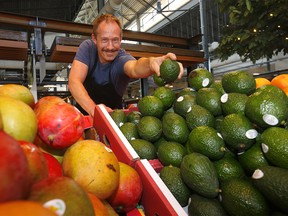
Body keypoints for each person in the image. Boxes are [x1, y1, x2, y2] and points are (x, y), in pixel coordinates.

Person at [68, 13, 184, 117]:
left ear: (121, 39)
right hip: (82, 118)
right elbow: (74, 81)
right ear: (94, 38)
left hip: (114, 120)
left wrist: (150, 63)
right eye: (104, 40)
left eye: (115, 40)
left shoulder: (121, 59)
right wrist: (94, 110)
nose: (110, 47)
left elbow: (134, 67)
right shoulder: (88, 48)